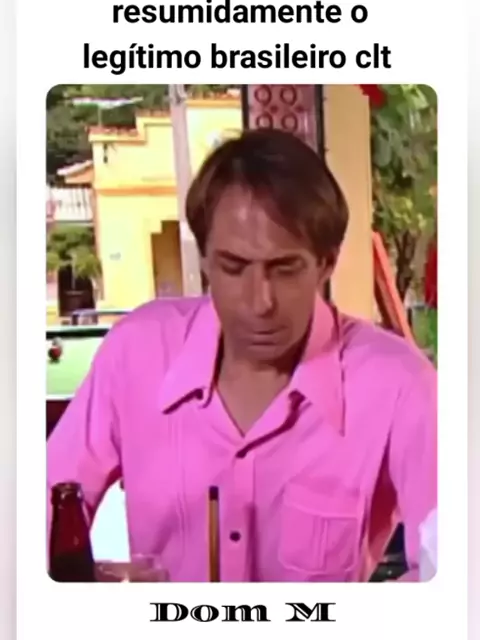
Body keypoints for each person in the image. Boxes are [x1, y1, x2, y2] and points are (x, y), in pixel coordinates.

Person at [47, 129, 437, 582]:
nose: (259, 302)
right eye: (233, 268)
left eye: (284, 269)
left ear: (326, 263)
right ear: (205, 261)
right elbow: (40, 512)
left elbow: (458, 574)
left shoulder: (399, 384)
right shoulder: (137, 351)